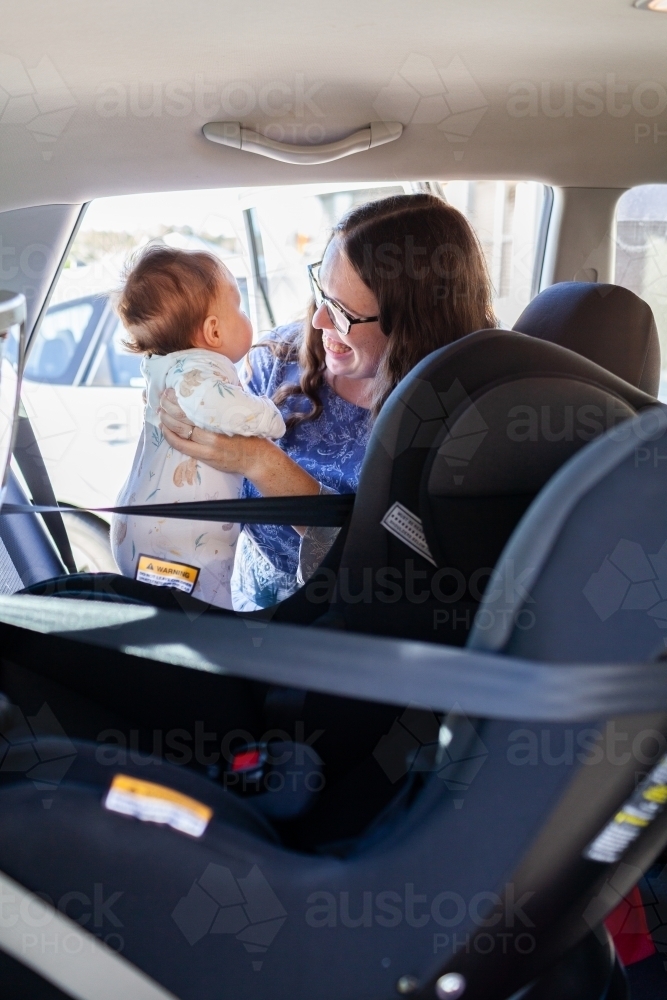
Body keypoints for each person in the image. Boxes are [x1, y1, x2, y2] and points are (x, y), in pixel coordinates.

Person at [159, 193, 497, 611]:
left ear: (414, 325)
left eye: (342, 313)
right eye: (322, 292)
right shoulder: (278, 356)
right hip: (237, 593)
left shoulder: (456, 426)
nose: (319, 320)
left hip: (340, 623)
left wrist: (262, 463)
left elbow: (390, 571)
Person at [110, 245, 285, 610]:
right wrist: (269, 416)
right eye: (238, 307)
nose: (245, 315)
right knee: (208, 623)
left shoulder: (166, 365)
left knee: (172, 619)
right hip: (181, 543)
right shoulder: (201, 368)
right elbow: (220, 408)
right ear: (213, 331)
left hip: (143, 527)